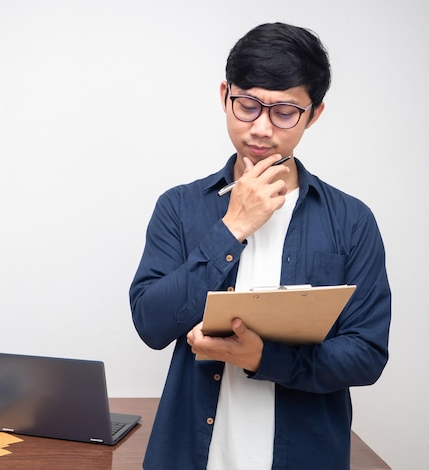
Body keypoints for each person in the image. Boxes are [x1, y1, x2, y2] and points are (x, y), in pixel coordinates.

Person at [129, 22, 390, 470]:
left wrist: (265, 359)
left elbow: (367, 355)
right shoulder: (179, 206)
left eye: (285, 112)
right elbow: (151, 323)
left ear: (315, 114)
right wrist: (233, 226)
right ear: (224, 95)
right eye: (247, 105)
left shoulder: (351, 220)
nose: (261, 129)